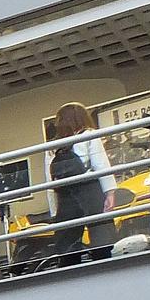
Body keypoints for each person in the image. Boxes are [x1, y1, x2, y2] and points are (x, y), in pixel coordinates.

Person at [48, 103, 114, 265]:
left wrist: (54, 210)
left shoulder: (52, 146)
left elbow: (50, 182)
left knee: (68, 243)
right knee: (102, 236)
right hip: (90, 189)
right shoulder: (89, 135)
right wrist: (110, 193)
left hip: (65, 196)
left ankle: (71, 273)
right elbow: (101, 165)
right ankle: (104, 266)